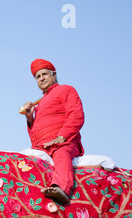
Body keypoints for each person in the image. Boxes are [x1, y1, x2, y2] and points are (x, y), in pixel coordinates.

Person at [21, 59, 84, 204]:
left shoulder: (66, 90)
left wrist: (62, 137)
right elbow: (35, 136)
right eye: (38, 77)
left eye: (44, 74)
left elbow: (76, 115)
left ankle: (62, 189)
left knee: (61, 154)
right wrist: (30, 117)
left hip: (64, 143)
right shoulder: (39, 103)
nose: (41, 78)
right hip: (42, 146)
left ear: (54, 75)